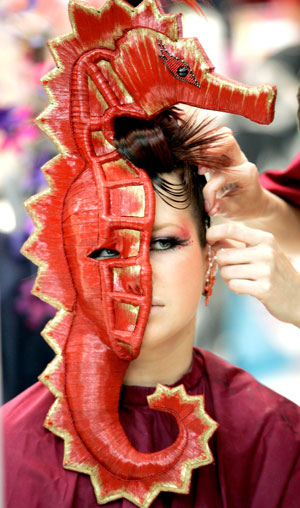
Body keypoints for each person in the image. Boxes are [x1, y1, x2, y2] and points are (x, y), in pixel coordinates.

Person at [3, 1, 300, 507]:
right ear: (66, 265)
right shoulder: (11, 449)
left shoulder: (274, 434)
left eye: (164, 243)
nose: (135, 274)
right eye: (103, 250)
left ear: (213, 253)